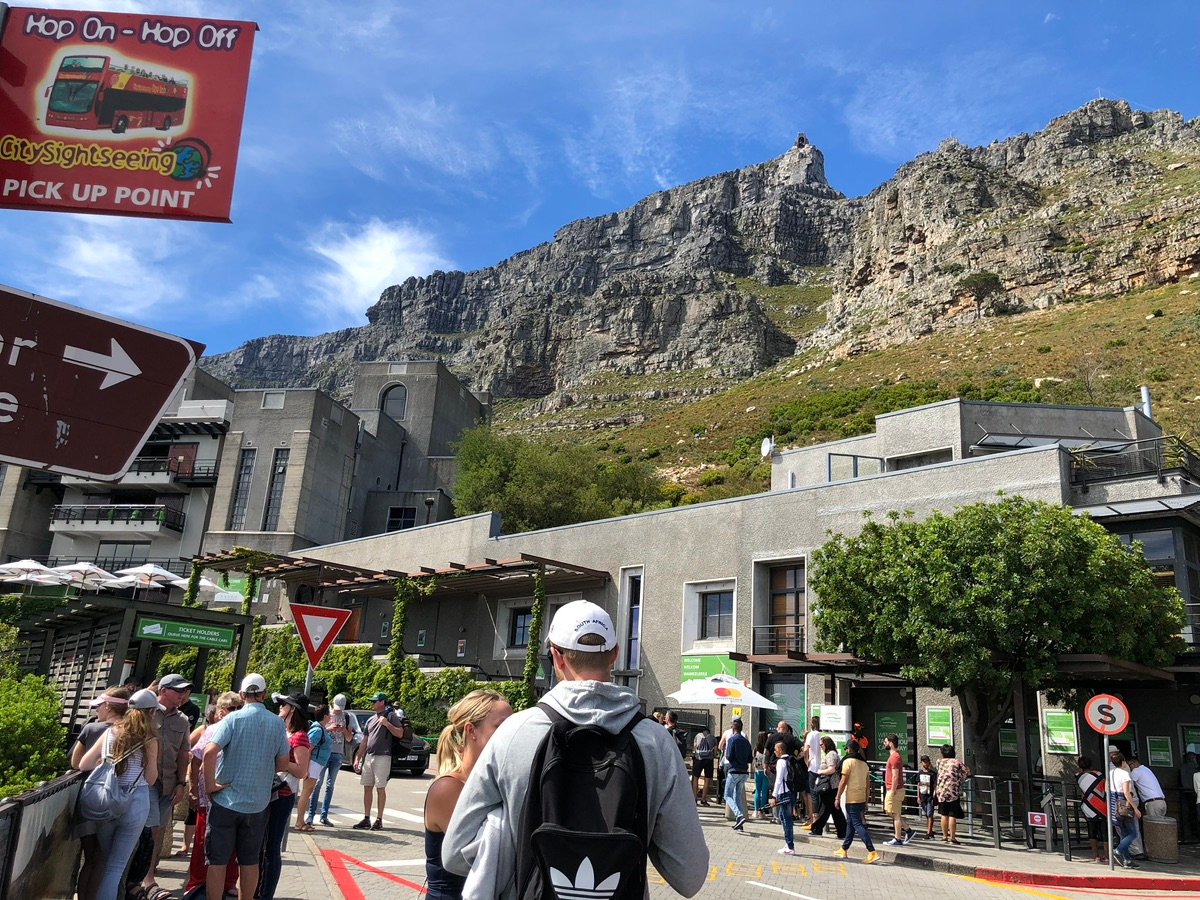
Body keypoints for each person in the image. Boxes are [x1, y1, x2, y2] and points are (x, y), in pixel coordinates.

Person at [442, 599, 708, 898]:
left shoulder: (513, 733)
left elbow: (454, 853)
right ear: (614, 655)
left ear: (556, 656)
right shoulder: (656, 743)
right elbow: (691, 875)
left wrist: (507, 831)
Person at [203, 673, 291, 900]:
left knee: (218, 861)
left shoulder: (232, 719)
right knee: (250, 861)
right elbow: (282, 764)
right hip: (258, 804)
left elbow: (209, 752)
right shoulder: (277, 723)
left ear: (242, 695)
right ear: (263, 694)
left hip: (226, 800)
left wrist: (211, 785)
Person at [424, 690, 513, 900]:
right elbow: (487, 857)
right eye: (501, 727)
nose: (511, 734)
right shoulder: (448, 788)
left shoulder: (493, 784)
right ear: (471, 730)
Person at [78, 687, 161, 900]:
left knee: (106, 861)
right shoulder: (150, 740)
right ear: (151, 712)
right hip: (136, 803)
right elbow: (151, 779)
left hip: (107, 800)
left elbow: (83, 763)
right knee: (116, 868)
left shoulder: (110, 732)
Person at [72, 687, 132, 900]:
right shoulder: (132, 731)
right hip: (118, 802)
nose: (97, 710)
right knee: (106, 860)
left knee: (90, 858)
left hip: (91, 799)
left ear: (107, 706)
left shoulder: (91, 729)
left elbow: (75, 762)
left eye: (98, 706)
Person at [184, 691, 243, 897]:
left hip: (222, 793)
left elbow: (197, 758)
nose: (236, 713)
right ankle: (205, 881)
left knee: (218, 841)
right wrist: (193, 788)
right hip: (213, 794)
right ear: (221, 711)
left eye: (239, 709)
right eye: (233, 709)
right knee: (207, 840)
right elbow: (196, 758)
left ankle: (217, 882)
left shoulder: (230, 729)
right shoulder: (213, 730)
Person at [141, 673, 193, 899]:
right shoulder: (146, 713)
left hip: (169, 785)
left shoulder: (182, 720)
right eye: (178, 690)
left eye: (184, 691)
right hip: (145, 783)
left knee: (158, 831)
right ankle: (146, 879)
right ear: (162, 690)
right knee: (151, 829)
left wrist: (181, 783)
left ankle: (147, 877)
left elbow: (184, 753)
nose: (182, 695)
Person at [261, 692, 312, 899]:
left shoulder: (299, 735)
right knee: (262, 846)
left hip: (282, 794)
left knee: (271, 847)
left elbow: (302, 771)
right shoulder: (282, 730)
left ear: (293, 709)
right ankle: (258, 889)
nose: (280, 707)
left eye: (284, 705)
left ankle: (266, 893)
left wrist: (281, 762)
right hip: (268, 792)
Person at [353, 690, 410, 830]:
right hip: (369, 756)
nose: (372, 703)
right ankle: (366, 818)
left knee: (380, 788)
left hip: (383, 756)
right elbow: (365, 741)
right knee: (367, 787)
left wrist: (386, 724)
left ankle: (379, 819)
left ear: (382, 702)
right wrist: (358, 758)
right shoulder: (370, 720)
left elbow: (400, 733)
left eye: (375, 701)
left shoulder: (390, 716)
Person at [309, 693, 360, 826]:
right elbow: (318, 730)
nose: (338, 711)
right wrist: (329, 728)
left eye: (340, 709)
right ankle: (310, 815)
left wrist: (343, 730)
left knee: (330, 786)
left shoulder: (347, 717)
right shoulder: (326, 715)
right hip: (323, 754)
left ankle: (324, 816)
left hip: (337, 755)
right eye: (337, 708)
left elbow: (349, 739)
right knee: (317, 783)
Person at [834, 739, 878, 863]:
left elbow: (843, 781)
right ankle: (844, 848)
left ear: (849, 749)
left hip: (852, 797)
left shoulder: (848, 762)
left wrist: (838, 796)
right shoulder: (864, 764)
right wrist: (866, 801)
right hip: (861, 797)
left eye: (846, 749)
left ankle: (872, 851)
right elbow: (868, 784)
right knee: (850, 824)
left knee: (857, 825)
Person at [296, 703, 330, 832]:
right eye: (329, 714)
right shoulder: (317, 729)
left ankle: (301, 821)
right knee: (306, 793)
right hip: (313, 764)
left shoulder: (321, 728)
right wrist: (305, 768)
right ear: (325, 716)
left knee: (307, 792)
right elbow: (308, 748)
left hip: (316, 764)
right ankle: (299, 822)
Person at [1127, 754, 1166, 858]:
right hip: (1161, 801)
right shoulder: (1146, 770)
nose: (1130, 767)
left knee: (1154, 830)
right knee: (1161, 829)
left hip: (1152, 802)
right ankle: (1161, 851)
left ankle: (1157, 853)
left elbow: (1128, 782)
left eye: (1130, 765)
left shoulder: (1136, 771)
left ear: (1134, 763)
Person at [1108, 752, 1142, 868]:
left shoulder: (1110, 773)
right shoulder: (1125, 774)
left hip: (1113, 804)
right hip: (1124, 805)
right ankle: (1118, 850)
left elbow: (1107, 790)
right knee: (1133, 833)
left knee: (1123, 833)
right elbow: (1127, 793)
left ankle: (1127, 860)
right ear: (1123, 762)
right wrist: (1135, 808)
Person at [809, 736, 846, 839]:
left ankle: (817, 828)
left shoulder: (831, 754)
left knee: (824, 808)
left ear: (826, 744)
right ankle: (842, 831)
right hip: (832, 785)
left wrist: (820, 772)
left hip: (830, 785)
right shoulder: (832, 754)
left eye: (821, 744)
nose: (820, 747)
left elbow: (832, 769)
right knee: (835, 810)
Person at [934, 744, 970, 845]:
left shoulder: (939, 762)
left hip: (941, 791)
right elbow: (966, 772)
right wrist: (960, 779)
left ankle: (944, 836)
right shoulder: (957, 762)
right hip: (953, 791)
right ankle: (952, 837)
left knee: (943, 814)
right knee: (952, 814)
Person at [1075, 756, 1108, 864]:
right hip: (1101, 805)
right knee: (1104, 831)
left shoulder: (1078, 777)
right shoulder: (1099, 775)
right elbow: (1105, 788)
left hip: (1087, 806)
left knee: (1092, 831)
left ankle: (1096, 856)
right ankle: (1107, 856)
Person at [882, 734, 913, 846]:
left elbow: (895, 775)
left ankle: (898, 838)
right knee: (891, 812)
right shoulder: (895, 756)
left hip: (894, 789)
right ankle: (908, 830)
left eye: (885, 741)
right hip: (893, 788)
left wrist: (892, 790)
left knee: (894, 814)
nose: (884, 743)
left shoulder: (894, 757)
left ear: (891, 742)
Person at [724, 718, 752, 832]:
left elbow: (729, 756)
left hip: (734, 771)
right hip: (744, 772)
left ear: (733, 728)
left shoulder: (732, 739)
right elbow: (750, 758)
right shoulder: (746, 741)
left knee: (727, 795)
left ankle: (739, 816)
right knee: (738, 796)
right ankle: (739, 823)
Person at [770, 737, 795, 855]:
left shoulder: (781, 762)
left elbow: (779, 780)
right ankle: (787, 843)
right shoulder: (791, 760)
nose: (774, 751)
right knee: (783, 816)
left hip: (783, 793)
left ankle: (790, 846)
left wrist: (774, 796)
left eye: (775, 749)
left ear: (780, 750)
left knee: (786, 819)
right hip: (791, 792)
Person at [802, 716, 822, 825]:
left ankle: (814, 818)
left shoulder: (811, 734)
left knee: (813, 793)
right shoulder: (822, 734)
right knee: (820, 792)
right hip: (822, 766)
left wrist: (806, 761)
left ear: (812, 724)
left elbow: (806, 749)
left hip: (813, 766)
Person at [692, 726, 715, 807]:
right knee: (707, 779)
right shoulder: (712, 738)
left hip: (699, 759)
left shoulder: (698, 736)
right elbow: (715, 750)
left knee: (695, 778)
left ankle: (694, 798)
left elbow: (695, 747)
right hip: (709, 760)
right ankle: (703, 799)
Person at [917, 755, 938, 840]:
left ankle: (928, 832)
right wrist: (918, 797)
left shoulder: (932, 774)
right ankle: (930, 831)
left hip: (930, 796)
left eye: (926, 761)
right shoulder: (920, 773)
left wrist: (934, 795)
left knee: (930, 814)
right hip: (922, 796)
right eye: (923, 761)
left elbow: (935, 785)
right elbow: (918, 785)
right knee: (926, 814)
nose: (925, 763)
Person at [1180, 751, 1199, 842]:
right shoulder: (1195, 769)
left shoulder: (1182, 768)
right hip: (1194, 794)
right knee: (1195, 815)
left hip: (1185, 794)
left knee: (1188, 815)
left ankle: (1188, 835)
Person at [752, 731, 771, 819]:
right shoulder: (767, 748)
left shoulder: (756, 748)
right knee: (764, 792)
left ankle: (756, 810)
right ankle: (762, 811)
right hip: (766, 771)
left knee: (757, 791)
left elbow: (753, 761)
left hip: (757, 771)